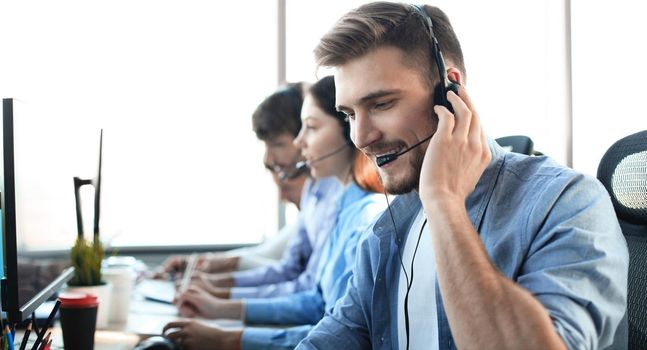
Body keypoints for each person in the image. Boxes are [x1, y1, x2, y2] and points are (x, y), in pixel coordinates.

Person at [297, 3, 629, 349]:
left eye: (381, 104)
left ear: (449, 91)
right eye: (349, 114)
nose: (361, 138)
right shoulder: (385, 233)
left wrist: (444, 203)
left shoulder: (567, 203)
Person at [162, 76, 387, 350]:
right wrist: (220, 304)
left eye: (311, 128)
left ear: (348, 130)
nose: (300, 141)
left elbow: (338, 332)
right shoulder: (344, 207)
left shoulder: (364, 219)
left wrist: (228, 338)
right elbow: (314, 298)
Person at [162, 82, 343, 300]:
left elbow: (299, 281)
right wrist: (205, 273)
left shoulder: (338, 197)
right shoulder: (314, 192)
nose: (268, 158)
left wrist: (220, 292)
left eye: (277, 144)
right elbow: (278, 260)